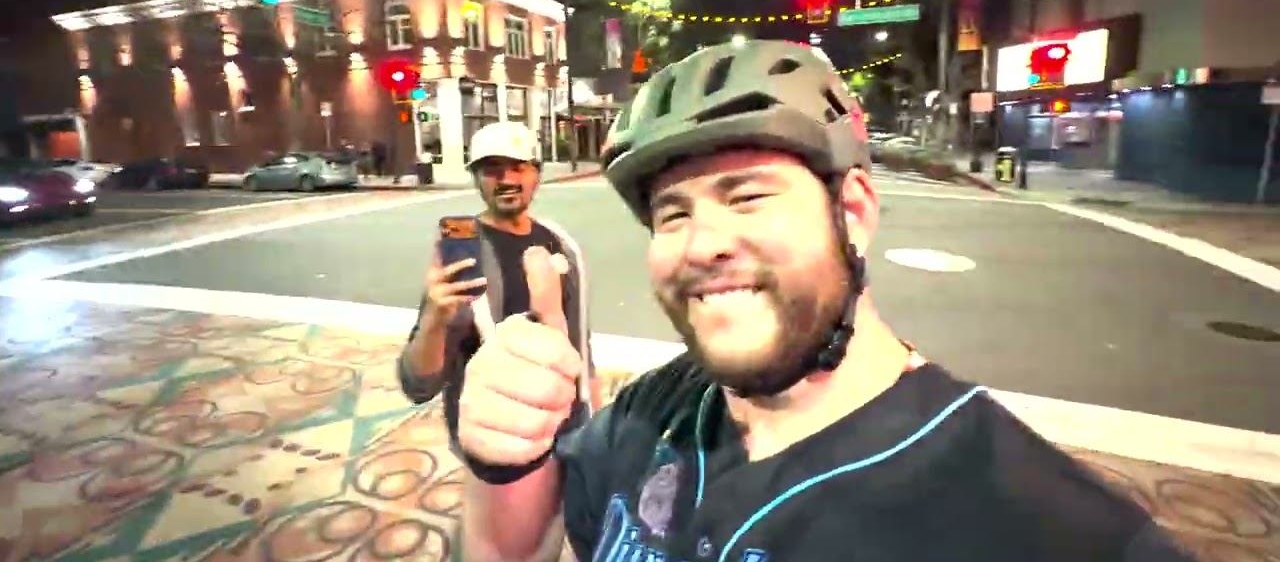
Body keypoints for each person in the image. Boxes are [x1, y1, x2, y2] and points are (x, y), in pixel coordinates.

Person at [452, 40, 1195, 562]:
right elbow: (507, 549)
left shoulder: (1038, 523)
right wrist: (499, 454)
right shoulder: (647, 417)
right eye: (673, 213)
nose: (703, 242)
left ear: (855, 212)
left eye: (748, 196)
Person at [397, 120, 599, 441]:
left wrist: (591, 412)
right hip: (498, 433)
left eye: (518, 167)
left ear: (537, 173)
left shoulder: (560, 242)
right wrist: (435, 319)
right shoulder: (464, 258)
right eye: (492, 169)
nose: (507, 179)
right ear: (476, 179)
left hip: (566, 424)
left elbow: (580, 345)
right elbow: (418, 385)